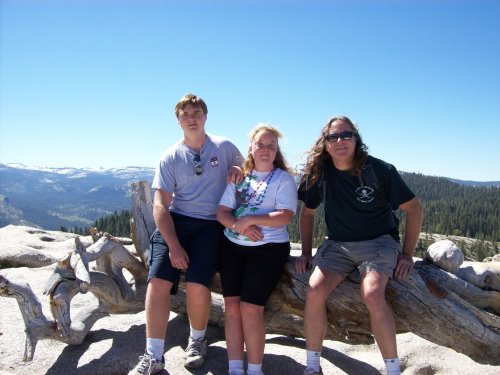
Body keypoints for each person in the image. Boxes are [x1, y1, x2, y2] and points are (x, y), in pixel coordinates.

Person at [295, 116, 423, 375]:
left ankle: (393, 369)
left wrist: (407, 255)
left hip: (379, 243)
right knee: (314, 289)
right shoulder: (319, 173)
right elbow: (307, 214)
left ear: (356, 139)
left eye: (346, 135)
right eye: (333, 137)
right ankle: (312, 366)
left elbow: (415, 209)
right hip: (337, 245)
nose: (340, 141)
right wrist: (306, 253)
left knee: (373, 293)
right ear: (326, 143)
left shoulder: (378, 170)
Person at [136, 93, 244, 375]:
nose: (192, 118)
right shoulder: (171, 155)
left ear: (206, 117)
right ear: (178, 121)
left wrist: (239, 169)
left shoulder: (224, 147)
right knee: (158, 282)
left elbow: (250, 172)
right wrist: (173, 246)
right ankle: (153, 355)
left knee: (197, 284)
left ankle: (197, 340)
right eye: (186, 114)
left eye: (197, 113)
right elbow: (160, 205)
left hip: (211, 224)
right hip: (177, 222)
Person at [216, 124, 298, 375]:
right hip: (232, 246)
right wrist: (238, 227)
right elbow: (222, 213)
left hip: (268, 249)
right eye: (260, 144)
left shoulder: (283, 179)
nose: (265, 149)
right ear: (251, 148)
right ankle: (234, 368)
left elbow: (285, 216)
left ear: (276, 151)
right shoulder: (240, 177)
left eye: (271, 146)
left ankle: (254, 369)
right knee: (231, 308)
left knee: (250, 309)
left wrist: (251, 220)